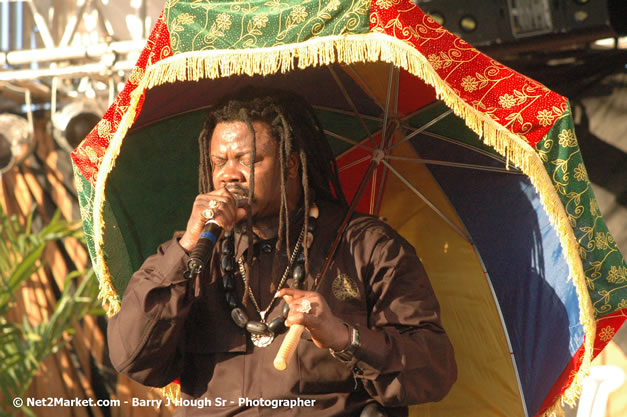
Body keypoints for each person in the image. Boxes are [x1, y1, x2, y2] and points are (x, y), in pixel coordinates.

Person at [107, 86, 457, 416]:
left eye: (246, 160)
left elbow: (434, 370)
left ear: (290, 165)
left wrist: (343, 337)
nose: (230, 175)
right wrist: (187, 248)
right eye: (218, 162)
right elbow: (132, 358)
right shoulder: (196, 255)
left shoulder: (367, 247)